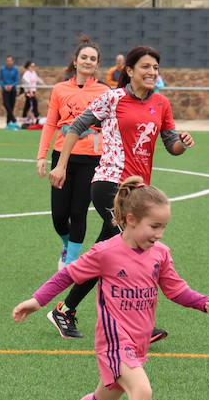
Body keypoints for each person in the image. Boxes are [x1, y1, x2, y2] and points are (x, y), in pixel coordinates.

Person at [12, 177, 209, 400]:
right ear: (130, 220)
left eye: (163, 227)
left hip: (137, 342)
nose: (159, 234)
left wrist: (200, 301)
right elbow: (67, 275)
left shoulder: (160, 253)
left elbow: (175, 288)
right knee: (142, 390)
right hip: (112, 340)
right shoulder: (105, 252)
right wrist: (36, 300)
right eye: (154, 226)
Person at [46, 45, 194, 343]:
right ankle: (132, 325)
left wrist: (183, 143)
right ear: (129, 70)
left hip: (138, 191)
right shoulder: (113, 98)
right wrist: (60, 165)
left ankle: (65, 309)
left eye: (155, 67)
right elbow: (76, 126)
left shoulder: (162, 104)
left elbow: (171, 147)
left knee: (106, 253)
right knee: (130, 248)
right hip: (109, 184)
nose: (152, 72)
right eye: (146, 67)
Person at [37, 37, 108, 279]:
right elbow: (49, 124)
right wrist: (42, 156)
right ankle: (68, 245)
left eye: (93, 59)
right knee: (59, 216)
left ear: (97, 64)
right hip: (62, 158)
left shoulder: (105, 92)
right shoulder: (59, 89)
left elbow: (112, 128)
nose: (88, 62)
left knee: (79, 212)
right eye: (84, 57)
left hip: (91, 160)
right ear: (75, 62)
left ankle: (71, 261)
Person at [0, 55, 20, 129]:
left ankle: (8, 123)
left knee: (11, 106)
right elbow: (0, 80)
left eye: (10, 60)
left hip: (13, 90)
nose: (9, 62)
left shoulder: (15, 70)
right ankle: (13, 119)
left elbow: (17, 80)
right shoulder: (2, 69)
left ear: (13, 61)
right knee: (6, 104)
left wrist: (12, 85)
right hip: (5, 90)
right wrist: (4, 86)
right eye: (7, 61)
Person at [20, 60, 41, 127]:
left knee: (29, 105)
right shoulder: (26, 73)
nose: (33, 67)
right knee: (32, 104)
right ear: (28, 67)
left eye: (34, 66)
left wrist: (43, 83)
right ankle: (34, 117)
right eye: (32, 66)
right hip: (29, 92)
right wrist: (30, 91)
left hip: (33, 91)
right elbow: (26, 82)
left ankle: (28, 117)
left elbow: (37, 79)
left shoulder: (34, 73)